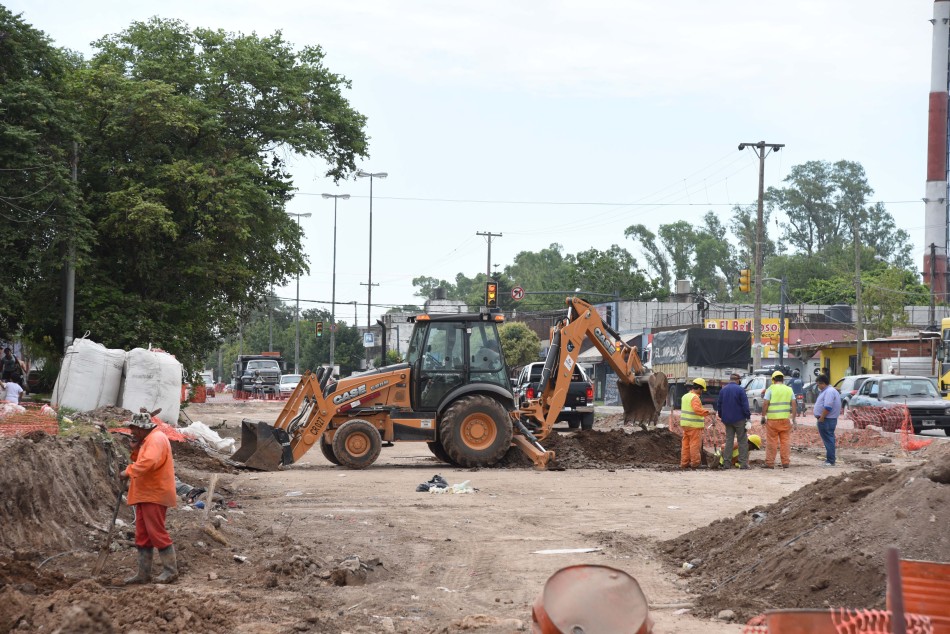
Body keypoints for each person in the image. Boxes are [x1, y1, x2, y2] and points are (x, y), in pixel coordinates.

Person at [121, 411, 178, 584]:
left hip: (154, 493)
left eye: (133, 428)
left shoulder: (155, 439)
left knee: (156, 532)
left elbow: (148, 462)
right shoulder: (148, 440)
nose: (132, 432)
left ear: (141, 428)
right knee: (143, 534)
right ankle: (143, 574)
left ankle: (170, 571)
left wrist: (128, 471)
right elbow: (143, 459)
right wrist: (135, 448)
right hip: (146, 493)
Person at [760, 370, 797, 469]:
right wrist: (793, 418)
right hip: (785, 420)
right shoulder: (789, 389)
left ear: (773, 379)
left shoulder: (770, 389)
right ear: (783, 379)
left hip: (772, 421)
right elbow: (794, 404)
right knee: (785, 442)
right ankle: (785, 462)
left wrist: (763, 416)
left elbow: (765, 403)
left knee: (772, 442)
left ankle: (770, 463)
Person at [716, 373, 752, 469]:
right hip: (739, 419)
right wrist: (748, 417)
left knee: (729, 441)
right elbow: (745, 405)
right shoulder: (740, 390)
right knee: (742, 441)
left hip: (727, 420)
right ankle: (743, 463)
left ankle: (726, 463)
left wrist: (721, 416)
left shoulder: (723, 390)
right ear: (738, 380)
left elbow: (719, 405)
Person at [679, 378, 711, 470]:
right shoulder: (695, 397)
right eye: (702, 390)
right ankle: (695, 463)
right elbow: (697, 409)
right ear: (699, 388)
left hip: (685, 425)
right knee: (694, 445)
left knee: (685, 445)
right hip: (694, 425)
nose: (702, 392)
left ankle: (684, 463)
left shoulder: (685, 396)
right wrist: (707, 412)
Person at [813, 373, 842, 467]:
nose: (818, 387)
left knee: (828, 440)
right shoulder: (829, 390)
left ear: (823, 383)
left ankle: (830, 460)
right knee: (829, 439)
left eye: (818, 384)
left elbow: (828, 406)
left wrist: (822, 417)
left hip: (826, 419)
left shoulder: (829, 391)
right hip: (827, 419)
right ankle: (830, 459)